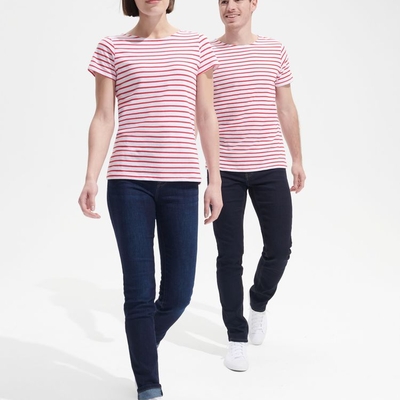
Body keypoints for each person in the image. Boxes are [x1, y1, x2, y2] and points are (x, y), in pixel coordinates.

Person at [78, 1, 223, 399]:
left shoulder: (197, 45)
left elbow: (206, 115)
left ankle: (140, 344)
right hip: (128, 183)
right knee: (139, 291)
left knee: (179, 293)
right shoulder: (112, 47)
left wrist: (215, 180)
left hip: (182, 184)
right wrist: (90, 176)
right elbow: (103, 116)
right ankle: (149, 385)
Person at [211, 0, 306, 372]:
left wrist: (297, 159)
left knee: (280, 249)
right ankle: (236, 338)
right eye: (223, 0)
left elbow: (286, 107)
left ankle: (258, 302)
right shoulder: (208, 53)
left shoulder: (274, 50)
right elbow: (202, 113)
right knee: (229, 257)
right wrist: (210, 174)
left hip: (269, 166)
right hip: (226, 171)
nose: (230, 7)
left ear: (253, 4)